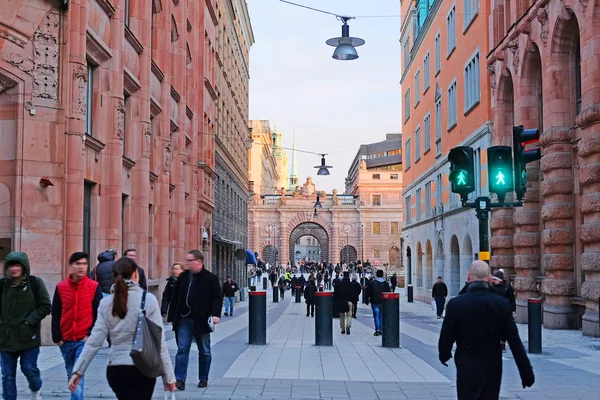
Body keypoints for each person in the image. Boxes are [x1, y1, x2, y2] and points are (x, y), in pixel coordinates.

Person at [69, 257, 176, 399]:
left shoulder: (106, 303)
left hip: (116, 368)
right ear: (136, 274)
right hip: (142, 368)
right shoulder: (148, 300)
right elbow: (159, 342)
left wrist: (78, 371)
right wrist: (168, 377)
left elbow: (95, 341)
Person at [438, 261, 534, 399]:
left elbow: (447, 334)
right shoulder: (501, 304)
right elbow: (513, 339)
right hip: (492, 365)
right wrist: (526, 371)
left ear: (468, 277)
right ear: (489, 278)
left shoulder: (456, 304)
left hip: (466, 364)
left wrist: (444, 353)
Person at [0, 252, 52, 400]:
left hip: (28, 336)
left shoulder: (35, 283)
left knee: (29, 368)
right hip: (5, 338)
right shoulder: (2, 285)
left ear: (24, 267)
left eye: (17, 265)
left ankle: (36, 388)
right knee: (7, 375)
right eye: (11, 265)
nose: (14, 268)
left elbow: (45, 306)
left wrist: (30, 321)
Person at [52, 252, 103, 400]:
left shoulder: (94, 286)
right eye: (78, 264)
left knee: (77, 374)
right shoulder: (61, 287)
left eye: (84, 264)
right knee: (71, 373)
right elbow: (55, 313)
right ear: (71, 266)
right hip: (65, 339)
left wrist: (90, 336)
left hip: (83, 339)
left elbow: (99, 313)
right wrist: (57, 338)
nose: (81, 267)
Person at [169, 250, 222, 390]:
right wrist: (172, 317)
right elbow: (175, 298)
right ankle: (179, 379)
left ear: (198, 261)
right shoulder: (183, 277)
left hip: (202, 320)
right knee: (182, 350)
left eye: (189, 260)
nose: (187, 263)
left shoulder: (210, 278)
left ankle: (203, 378)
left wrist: (216, 314)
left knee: (204, 350)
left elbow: (217, 297)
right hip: (184, 319)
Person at [490, 269, 516, 352]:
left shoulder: (507, 288)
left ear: (499, 280)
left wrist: (513, 310)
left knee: (503, 329)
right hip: (494, 310)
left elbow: (512, 300)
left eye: (495, 279)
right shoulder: (491, 288)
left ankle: (503, 344)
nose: (493, 281)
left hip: (504, 311)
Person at [366, 269, 390, 336]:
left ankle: (378, 329)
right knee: (382, 315)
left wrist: (367, 299)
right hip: (383, 302)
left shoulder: (372, 283)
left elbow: (368, 292)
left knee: (376, 315)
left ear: (376, 275)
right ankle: (382, 329)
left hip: (374, 301)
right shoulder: (385, 283)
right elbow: (388, 293)